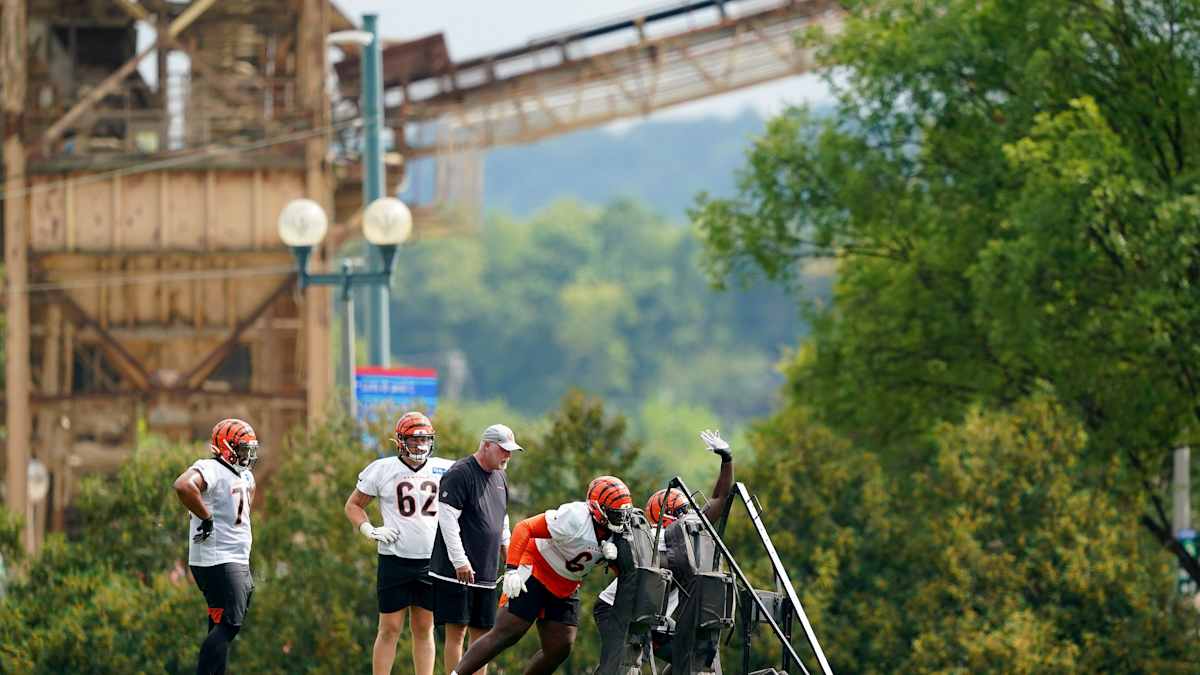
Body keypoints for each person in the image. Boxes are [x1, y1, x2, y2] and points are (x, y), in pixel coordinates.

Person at [450, 475, 634, 675]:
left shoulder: (621, 533)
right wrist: (511, 569)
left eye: (623, 514)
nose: (622, 520)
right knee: (508, 632)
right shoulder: (574, 518)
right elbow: (525, 527)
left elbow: (624, 572)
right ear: (597, 510)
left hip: (566, 584)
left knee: (560, 646)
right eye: (616, 514)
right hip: (537, 567)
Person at [592, 429, 735, 673]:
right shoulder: (659, 542)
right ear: (665, 519)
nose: (689, 518)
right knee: (624, 664)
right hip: (615, 608)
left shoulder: (687, 535)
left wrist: (727, 459)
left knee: (697, 655)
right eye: (681, 512)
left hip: (656, 619)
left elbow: (721, 498)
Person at [344, 411, 456, 675]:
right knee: (389, 627)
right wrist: (368, 529)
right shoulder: (383, 469)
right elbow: (353, 505)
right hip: (394, 558)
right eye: (414, 440)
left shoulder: (445, 468)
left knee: (424, 627)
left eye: (425, 440)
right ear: (400, 441)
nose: (420, 445)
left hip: (431, 560)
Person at [429, 423, 521, 675]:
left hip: (487, 569)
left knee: (484, 636)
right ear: (486, 445)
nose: (508, 456)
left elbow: (502, 520)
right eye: (503, 450)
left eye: (510, 451)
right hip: (456, 570)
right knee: (457, 632)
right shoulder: (460, 473)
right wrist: (460, 560)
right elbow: (447, 521)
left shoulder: (501, 476)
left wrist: (510, 557)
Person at [173, 418, 260, 675]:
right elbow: (183, 486)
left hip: (230, 558)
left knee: (219, 621)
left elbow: (242, 511)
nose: (248, 455)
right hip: (219, 559)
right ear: (226, 447)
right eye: (243, 449)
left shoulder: (245, 476)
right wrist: (207, 516)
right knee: (231, 623)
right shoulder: (211, 467)